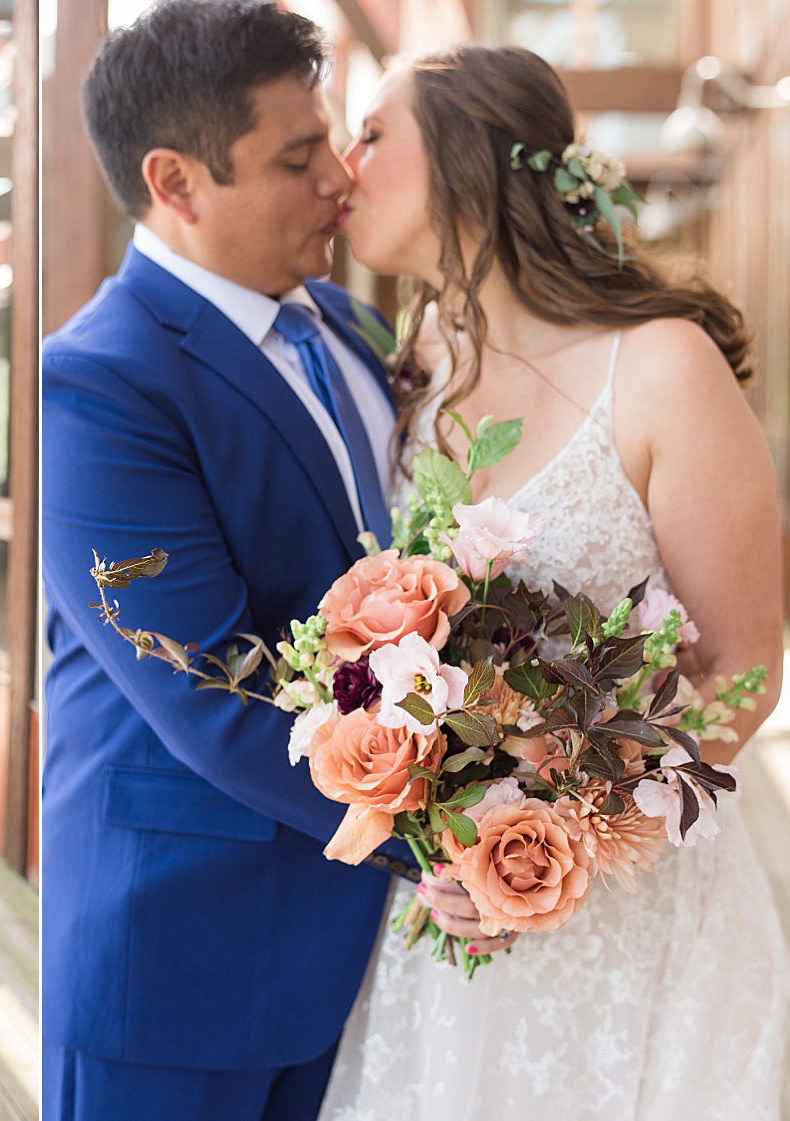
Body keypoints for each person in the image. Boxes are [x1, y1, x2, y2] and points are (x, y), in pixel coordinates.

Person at [320, 44, 788, 1120]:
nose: (347, 165)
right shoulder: (424, 354)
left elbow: (745, 668)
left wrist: (555, 843)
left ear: (468, 164)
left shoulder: (663, 365)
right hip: (455, 903)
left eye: (376, 134)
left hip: (633, 905)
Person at [40, 3, 413, 1118]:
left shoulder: (351, 328)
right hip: (180, 955)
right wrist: (461, 833)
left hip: (365, 949)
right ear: (178, 181)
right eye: (298, 160)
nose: (341, 181)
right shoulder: (93, 385)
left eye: (336, 144)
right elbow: (209, 682)